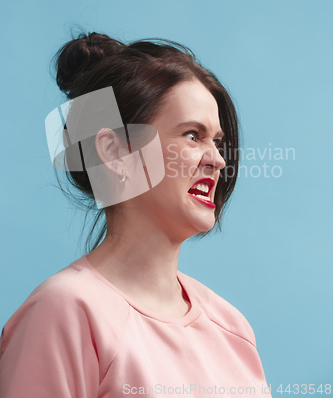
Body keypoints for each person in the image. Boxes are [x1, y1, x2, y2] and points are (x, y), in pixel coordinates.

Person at [0, 33, 271, 397]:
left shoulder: (231, 328)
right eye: (193, 136)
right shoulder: (64, 313)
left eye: (217, 142)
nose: (218, 160)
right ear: (114, 152)